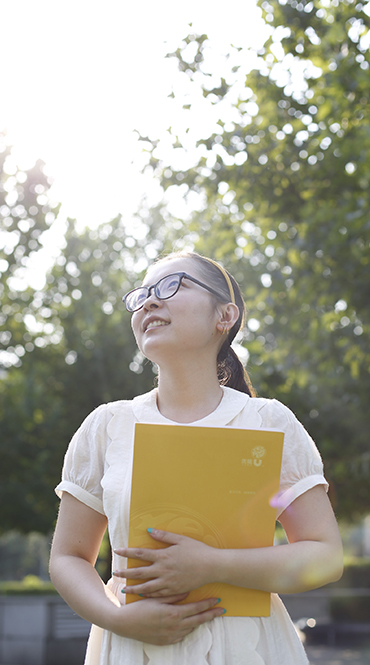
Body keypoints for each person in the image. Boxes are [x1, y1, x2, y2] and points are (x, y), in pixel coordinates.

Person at [49, 251, 343, 665]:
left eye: (173, 286)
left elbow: (325, 556)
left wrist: (212, 565)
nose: (150, 301)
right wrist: (118, 619)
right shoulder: (106, 426)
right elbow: (68, 557)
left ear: (225, 316)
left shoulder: (268, 421)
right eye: (143, 294)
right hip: (135, 645)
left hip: (248, 647)